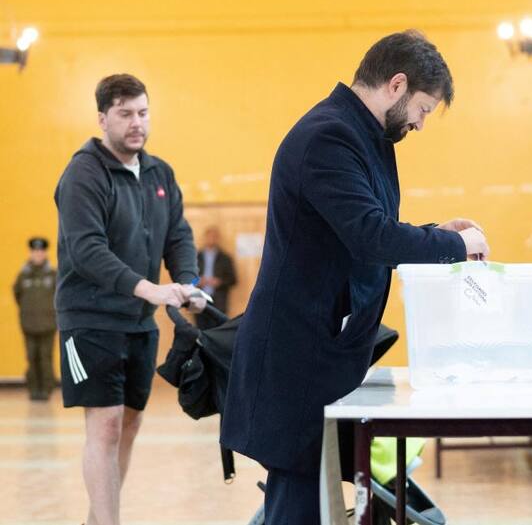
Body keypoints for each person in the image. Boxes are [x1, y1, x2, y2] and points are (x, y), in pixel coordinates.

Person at [220, 31, 490, 524]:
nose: (420, 123)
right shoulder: (329, 136)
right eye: (423, 109)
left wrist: (435, 233)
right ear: (396, 84)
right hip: (298, 355)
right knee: (298, 503)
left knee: (313, 499)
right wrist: (455, 247)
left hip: (322, 351)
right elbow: (371, 237)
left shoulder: (363, 135)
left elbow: (365, 229)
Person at [55, 73, 205, 525]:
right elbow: (87, 250)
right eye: (124, 114)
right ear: (103, 119)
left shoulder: (160, 173)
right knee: (105, 423)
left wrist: (187, 282)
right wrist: (149, 289)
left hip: (138, 321)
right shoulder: (84, 173)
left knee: (129, 424)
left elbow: (178, 235)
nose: (136, 123)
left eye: (142, 112)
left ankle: (97, 520)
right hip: (89, 319)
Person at [13, 237, 57, 401]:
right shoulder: (23, 275)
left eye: (40, 251)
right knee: (31, 357)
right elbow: (17, 295)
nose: (38, 254)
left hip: (48, 324)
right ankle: (33, 389)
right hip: (28, 324)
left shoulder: (53, 274)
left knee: (45, 357)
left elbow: (59, 297)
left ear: (45, 253)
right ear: (31, 253)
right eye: (35, 251)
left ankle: (46, 389)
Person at [195, 226, 237, 325]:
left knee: (218, 329)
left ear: (218, 239)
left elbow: (233, 279)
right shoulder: (195, 257)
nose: (211, 239)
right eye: (209, 236)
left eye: (214, 237)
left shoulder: (225, 258)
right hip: (198, 299)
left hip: (219, 301)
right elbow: (188, 279)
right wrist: (197, 281)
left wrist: (219, 282)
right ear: (205, 237)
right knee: (200, 330)